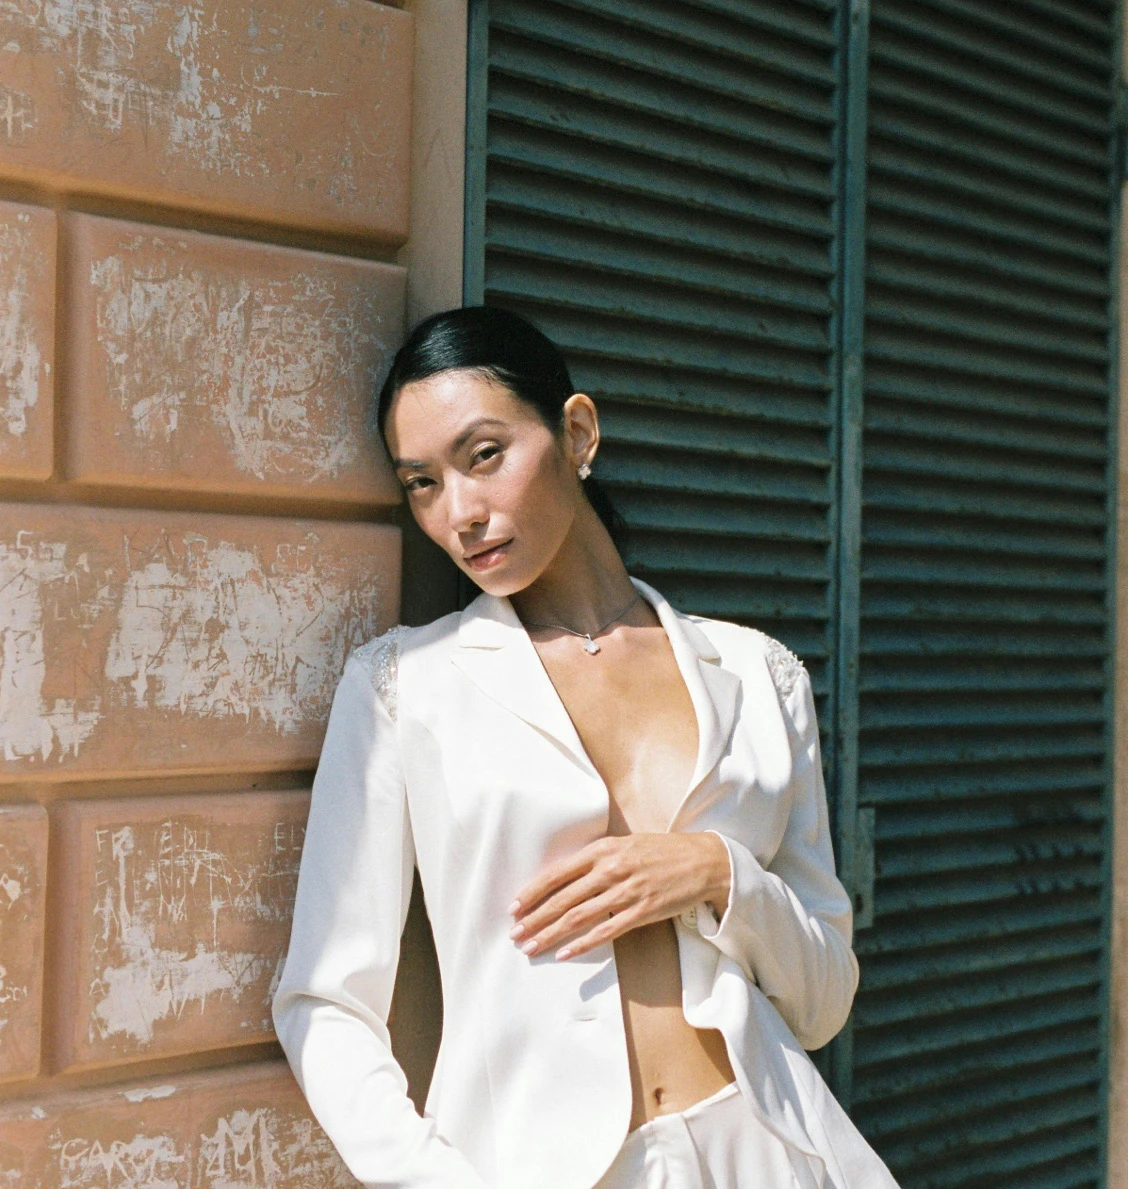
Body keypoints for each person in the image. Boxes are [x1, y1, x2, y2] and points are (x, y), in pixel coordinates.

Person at [271, 306, 902, 1189]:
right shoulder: (404, 687)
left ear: (576, 433)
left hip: (765, 1150)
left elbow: (824, 998)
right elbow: (323, 1004)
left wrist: (716, 871)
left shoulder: (758, 674)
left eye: (484, 455)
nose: (460, 512)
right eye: (422, 483)